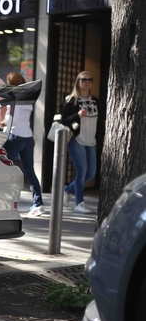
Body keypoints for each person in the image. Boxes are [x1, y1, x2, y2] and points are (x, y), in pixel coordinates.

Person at [2, 72, 44, 217]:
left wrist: (3, 123)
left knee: (1, 166)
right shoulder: (28, 99)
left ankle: (3, 200)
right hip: (28, 137)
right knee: (30, 171)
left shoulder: (14, 98)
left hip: (15, 137)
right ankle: (38, 203)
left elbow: (11, 120)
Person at [61, 71, 100, 214]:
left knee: (91, 173)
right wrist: (77, 115)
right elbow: (63, 119)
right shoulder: (71, 100)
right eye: (84, 79)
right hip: (76, 139)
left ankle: (68, 189)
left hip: (91, 140)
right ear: (78, 82)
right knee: (82, 171)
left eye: (90, 79)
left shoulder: (95, 101)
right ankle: (79, 203)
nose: (87, 82)